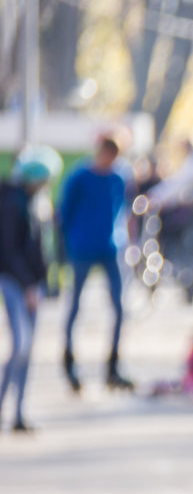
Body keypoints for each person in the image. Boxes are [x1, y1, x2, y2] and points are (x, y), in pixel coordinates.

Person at [58, 133, 131, 392]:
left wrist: (124, 240)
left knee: (120, 308)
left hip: (109, 247)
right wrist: (64, 247)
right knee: (75, 305)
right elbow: (64, 213)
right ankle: (69, 361)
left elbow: (122, 210)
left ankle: (112, 366)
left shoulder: (118, 178)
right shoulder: (79, 177)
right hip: (82, 248)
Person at [0, 148, 60, 433]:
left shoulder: (35, 202)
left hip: (32, 284)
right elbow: (9, 251)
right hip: (15, 283)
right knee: (21, 346)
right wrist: (27, 286)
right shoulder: (13, 203)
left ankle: (19, 413)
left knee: (28, 350)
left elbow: (43, 248)